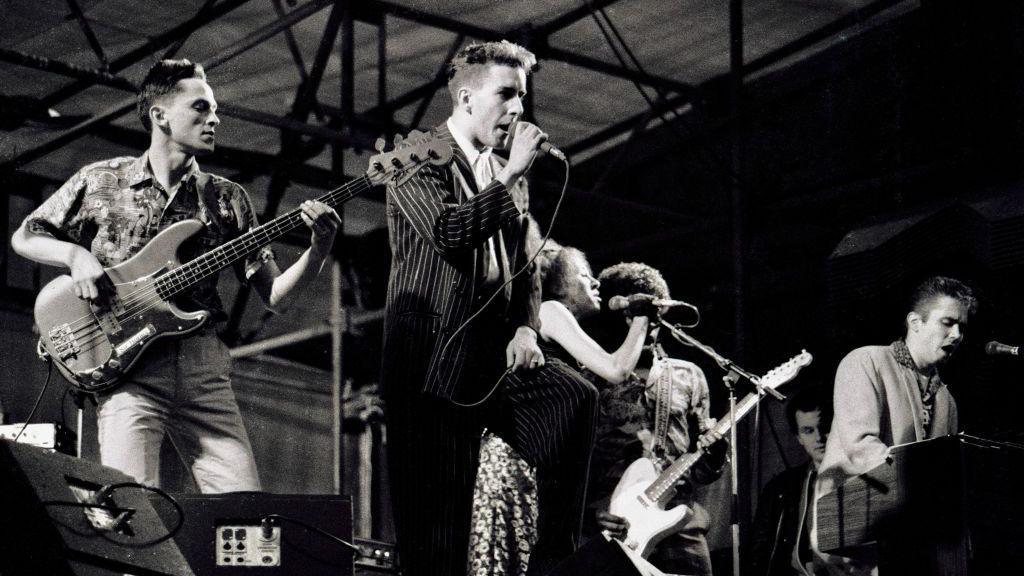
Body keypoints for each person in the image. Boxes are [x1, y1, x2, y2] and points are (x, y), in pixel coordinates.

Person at [11, 59, 340, 492]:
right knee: (132, 509)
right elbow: (26, 235)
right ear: (159, 115)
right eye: (200, 108)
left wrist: (319, 249)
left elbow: (275, 296)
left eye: (215, 110)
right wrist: (76, 256)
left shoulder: (227, 198)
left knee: (245, 511)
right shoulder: (102, 180)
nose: (214, 119)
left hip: (203, 369)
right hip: (128, 367)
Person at [381, 41, 598, 576]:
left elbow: (527, 267)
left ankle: (555, 558)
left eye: (521, 97)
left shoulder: (507, 174)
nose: (517, 110)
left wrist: (526, 329)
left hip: (491, 356)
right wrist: (506, 179)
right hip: (430, 362)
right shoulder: (417, 157)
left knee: (575, 399)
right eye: (505, 95)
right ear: (466, 97)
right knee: (439, 531)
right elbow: (447, 232)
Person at [468, 239, 652, 576]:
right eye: (584, 275)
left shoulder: (556, 329)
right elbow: (616, 369)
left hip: (526, 467)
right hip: (517, 467)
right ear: (559, 285)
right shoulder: (550, 309)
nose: (595, 283)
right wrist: (642, 319)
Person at [814, 275, 977, 574]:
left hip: (916, 544)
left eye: (962, 327)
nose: (956, 335)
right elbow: (861, 446)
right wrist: (923, 490)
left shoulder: (947, 399)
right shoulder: (865, 361)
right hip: (855, 538)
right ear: (915, 322)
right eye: (947, 322)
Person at [589, 262, 727, 576]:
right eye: (636, 314)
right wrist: (590, 512)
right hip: (611, 532)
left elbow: (704, 471)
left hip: (681, 527)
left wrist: (716, 453)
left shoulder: (689, 375)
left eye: (656, 314)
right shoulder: (590, 379)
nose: (650, 324)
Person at [748, 388, 833, 576]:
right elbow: (759, 551)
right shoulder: (779, 487)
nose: (819, 438)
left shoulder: (857, 477)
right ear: (799, 438)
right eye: (808, 431)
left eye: (825, 427)